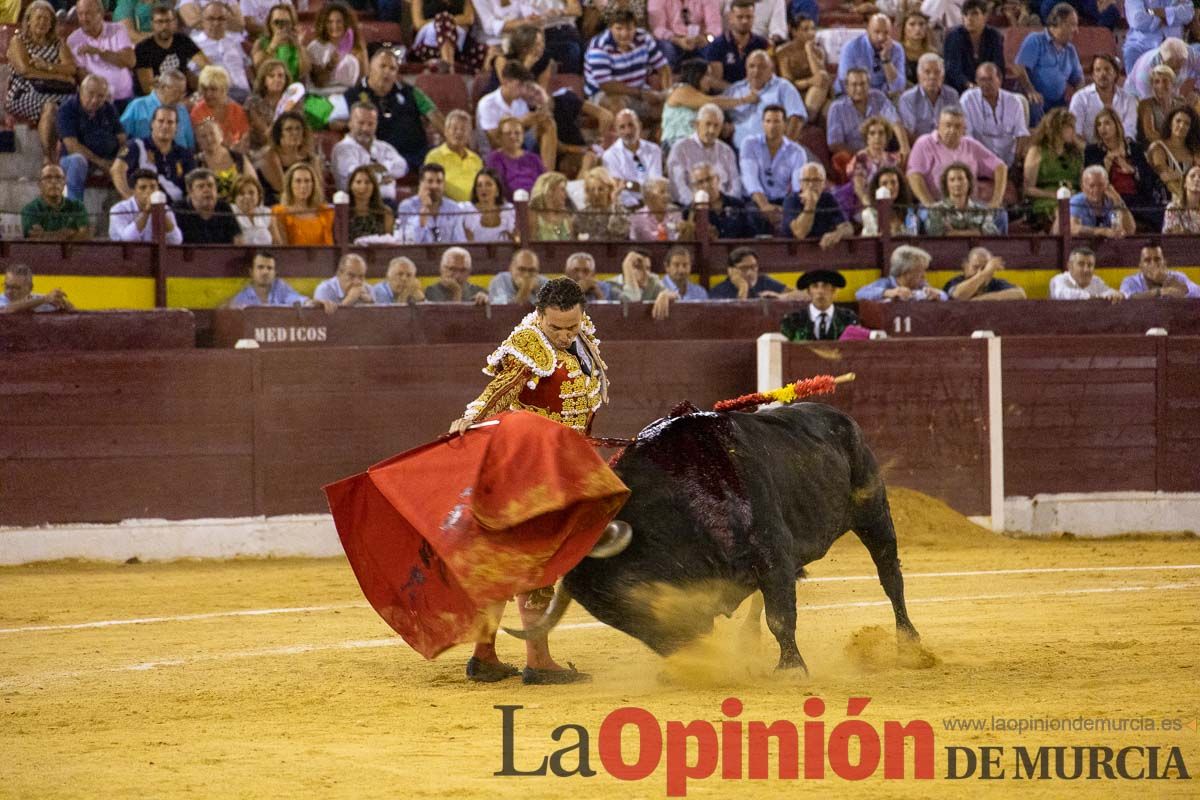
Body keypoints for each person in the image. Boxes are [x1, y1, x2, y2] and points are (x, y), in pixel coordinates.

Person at [448, 277, 607, 685]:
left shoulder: (582, 338)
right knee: (537, 560)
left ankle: (485, 657)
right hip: (530, 471)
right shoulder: (529, 344)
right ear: (540, 316)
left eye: (572, 326)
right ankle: (537, 660)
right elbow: (499, 390)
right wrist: (471, 418)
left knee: (508, 558)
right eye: (557, 328)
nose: (565, 335)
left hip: (560, 464)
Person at [345, 49, 443, 169]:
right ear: (371, 67)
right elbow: (331, 120)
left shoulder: (411, 92)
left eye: (392, 69)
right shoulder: (352, 94)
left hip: (417, 155)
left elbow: (434, 115)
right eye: (383, 66)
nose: (387, 72)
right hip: (379, 158)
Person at [5, 0, 78, 160]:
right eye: (38, 18)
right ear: (28, 20)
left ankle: (67, 158)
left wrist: (45, 65)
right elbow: (25, 71)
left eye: (47, 19)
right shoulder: (18, 41)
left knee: (71, 107)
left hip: (57, 92)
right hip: (23, 92)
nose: (42, 22)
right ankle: (49, 158)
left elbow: (71, 69)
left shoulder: (58, 44)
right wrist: (58, 75)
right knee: (51, 107)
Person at [907, 106, 1007, 208]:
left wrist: (996, 201)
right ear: (938, 126)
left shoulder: (971, 144)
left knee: (1001, 214)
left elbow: (1000, 167)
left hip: (969, 207)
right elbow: (914, 176)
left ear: (964, 129)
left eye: (957, 126)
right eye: (948, 125)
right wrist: (930, 205)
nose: (952, 130)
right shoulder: (925, 143)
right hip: (937, 205)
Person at [1085, 108, 1166, 232]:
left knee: (1161, 214)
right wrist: (1107, 163)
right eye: (1099, 125)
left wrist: (1133, 170)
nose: (1102, 128)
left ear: (1116, 125)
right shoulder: (1093, 151)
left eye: (1107, 123)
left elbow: (1149, 178)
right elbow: (1091, 180)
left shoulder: (1134, 148)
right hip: (1110, 198)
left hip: (1137, 197)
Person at [583, 8, 671, 118]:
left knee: (671, 104)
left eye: (629, 28)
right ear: (611, 28)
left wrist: (667, 94)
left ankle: (655, 133)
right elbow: (606, 85)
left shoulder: (644, 38)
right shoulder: (599, 46)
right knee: (617, 105)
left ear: (635, 28)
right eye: (619, 29)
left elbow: (663, 68)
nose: (624, 34)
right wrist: (641, 93)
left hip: (639, 89)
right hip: (604, 93)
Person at [826, 68, 905, 179]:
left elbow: (895, 121)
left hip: (883, 154)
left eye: (863, 84)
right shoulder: (837, 108)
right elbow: (834, 144)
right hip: (855, 158)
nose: (859, 89)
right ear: (847, 87)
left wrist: (904, 147)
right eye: (854, 85)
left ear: (869, 84)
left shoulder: (878, 97)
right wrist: (866, 156)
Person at [58, 75, 126, 202]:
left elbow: (122, 139)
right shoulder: (67, 109)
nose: (95, 100)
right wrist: (101, 163)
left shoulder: (108, 108)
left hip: (108, 159)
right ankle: (75, 212)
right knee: (78, 161)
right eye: (91, 94)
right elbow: (72, 146)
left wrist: (118, 161)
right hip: (74, 160)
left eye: (100, 96)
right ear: (81, 91)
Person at [662, 58, 755, 150]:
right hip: (676, 146)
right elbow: (712, 102)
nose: (711, 80)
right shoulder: (681, 90)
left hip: (699, 146)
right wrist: (744, 100)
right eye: (707, 75)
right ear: (696, 75)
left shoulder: (701, 95)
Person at [477, 62, 557, 168]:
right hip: (498, 151)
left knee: (547, 123)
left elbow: (524, 132)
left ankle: (547, 174)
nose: (522, 90)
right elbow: (494, 141)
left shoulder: (520, 102)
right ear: (506, 82)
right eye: (519, 85)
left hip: (519, 143)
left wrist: (535, 120)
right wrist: (520, 122)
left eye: (524, 86)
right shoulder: (488, 103)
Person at [739, 103, 808, 226]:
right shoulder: (749, 144)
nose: (772, 126)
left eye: (776, 122)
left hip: (783, 201)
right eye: (768, 121)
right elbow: (750, 178)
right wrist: (764, 205)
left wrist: (786, 209)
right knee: (752, 214)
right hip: (755, 200)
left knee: (795, 213)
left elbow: (798, 185)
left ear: (785, 124)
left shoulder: (797, 151)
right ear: (762, 124)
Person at [112, 104, 196, 203]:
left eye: (170, 122)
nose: (165, 126)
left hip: (176, 212)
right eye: (161, 121)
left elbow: (193, 185)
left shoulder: (185, 154)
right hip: (143, 210)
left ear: (176, 127)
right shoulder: (136, 146)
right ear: (152, 124)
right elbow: (116, 170)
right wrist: (130, 199)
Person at [1012, 4, 1082, 122]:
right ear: (1059, 23)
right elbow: (1019, 68)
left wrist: (1082, 98)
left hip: (1058, 102)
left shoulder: (1070, 50)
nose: (1076, 30)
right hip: (1034, 97)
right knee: (1035, 104)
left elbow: (1078, 80)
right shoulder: (1036, 40)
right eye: (1073, 25)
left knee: (1072, 115)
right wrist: (1031, 91)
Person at [331, 102, 409, 204]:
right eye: (361, 123)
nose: (365, 129)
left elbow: (403, 167)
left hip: (388, 204)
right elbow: (356, 176)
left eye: (370, 124)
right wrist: (383, 176)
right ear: (350, 123)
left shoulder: (384, 147)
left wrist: (383, 168)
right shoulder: (342, 149)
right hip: (355, 206)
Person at [666, 103, 741, 206]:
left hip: (723, 209)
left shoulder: (726, 151)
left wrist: (725, 203)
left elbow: (735, 184)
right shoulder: (680, 148)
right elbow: (678, 187)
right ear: (697, 124)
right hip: (692, 208)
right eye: (708, 124)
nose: (712, 130)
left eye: (716, 126)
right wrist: (697, 205)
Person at [959, 62, 1029, 169]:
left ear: (1000, 80)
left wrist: (1017, 162)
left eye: (990, 79)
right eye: (982, 80)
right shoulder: (968, 100)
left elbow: (1021, 134)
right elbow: (967, 137)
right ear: (976, 81)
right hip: (980, 162)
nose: (986, 84)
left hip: (1008, 161)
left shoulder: (1014, 101)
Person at [68, 0, 136, 106]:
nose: (84, 18)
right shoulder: (73, 40)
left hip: (125, 97)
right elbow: (82, 76)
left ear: (100, 13)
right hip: (98, 102)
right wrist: (102, 94)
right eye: (80, 14)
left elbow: (130, 62)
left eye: (88, 13)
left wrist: (99, 52)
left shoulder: (118, 29)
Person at [135, 2, 207, 95]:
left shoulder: (182, 40)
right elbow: (148, 88)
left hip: (184, 93)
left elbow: (206, 64)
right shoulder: (143, 48)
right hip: (159, 98)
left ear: (175, 23)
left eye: (168, 21)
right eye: (160, 22)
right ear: (152, 24)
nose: (165, 26)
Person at [225, 250, 334, 309]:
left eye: (269, 268)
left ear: (275, 273)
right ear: (251, 273)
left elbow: (296, 299)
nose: (265, 272)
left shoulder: (280, 287)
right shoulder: (242, 297)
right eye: (260, 267)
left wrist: (312, 303)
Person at [684, 162, 765, 238]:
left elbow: (752, 235)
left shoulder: (738, 204)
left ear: (717, 179)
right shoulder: (689, 212)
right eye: (700, 182)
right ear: (693, 187)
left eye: (709, 179)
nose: (706, 185)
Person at [602, 109, 663, 209]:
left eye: (631, 125)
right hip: (627, 208)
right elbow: (619, 188)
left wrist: (628, 184)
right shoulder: (610, 156)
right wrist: (629, 186)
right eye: (622, 127)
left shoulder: (654, 150)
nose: (628, 131)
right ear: (616, 131)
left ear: (639, 125)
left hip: (653, 204)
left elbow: (656, 185)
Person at [190, 1, 251, 101]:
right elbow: (191, 76)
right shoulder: (193, 44)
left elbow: (248, 69)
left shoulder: (236, 41)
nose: (216, 23)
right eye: (211, 18)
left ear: (227, 21)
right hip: (217, 96)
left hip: (245, 93)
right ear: (202, 21)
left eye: (221, 19)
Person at [774, 14, 831, 119]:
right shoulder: (783, 52)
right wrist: (809, 82)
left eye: (813, 29)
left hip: (816, 95)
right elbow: (787, 84)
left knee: (831, 110)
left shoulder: (818, 52)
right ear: (794, 32)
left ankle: (807, 117)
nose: (811, 33)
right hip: (794, 94)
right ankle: (805, 117)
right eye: (805, 29)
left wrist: (809, 51)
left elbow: (821, 80)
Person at [305, 1, 368, 96]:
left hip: (347, 96)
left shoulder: (357, 46)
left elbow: (363, 79)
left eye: (339, 21)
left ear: (346, 22)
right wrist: (331, 65)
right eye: (330, 22)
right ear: (324, 24)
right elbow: (317, 82)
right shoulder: (314, 47)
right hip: (318, 96)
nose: (334, 26)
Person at [121, 69, 195, 149]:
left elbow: (190, 144)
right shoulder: (138, 106)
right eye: (176, 92)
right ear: (163, 87)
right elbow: (121, 137)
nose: (180, 97)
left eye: (183, 93)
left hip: (179, 159)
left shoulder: (182, 110)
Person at [784, 162, 853, 246]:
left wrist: (837, 234)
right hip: (794, 251)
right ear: (800, 184)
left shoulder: (828, 198)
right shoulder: (792, 199)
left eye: (816, 180)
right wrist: (810, 204)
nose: (811, 185)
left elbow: (847, 227)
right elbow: (800, 233)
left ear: (823, 184)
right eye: (806, 180)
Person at [942, 0, 1005, 93]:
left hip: (989, 86)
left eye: (974, 14)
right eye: (965, 14)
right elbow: (953, 69)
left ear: (985, 16)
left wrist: (988, 84)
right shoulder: (954, 36)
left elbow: (998, 65)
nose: (969, 18)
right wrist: (970, 85)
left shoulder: (994, 36)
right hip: (959, 89)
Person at [836, 14, 905, 98]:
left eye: (886, 33)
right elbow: (845, 83)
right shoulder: (850, 47)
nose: (881, 37)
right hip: (853, 95)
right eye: (877, 32)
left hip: (883, 97)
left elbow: (898, 87)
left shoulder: (897, 49)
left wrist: (886, 60)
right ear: (868, 30)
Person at [395, 164, 468, 243]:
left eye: (439, 181)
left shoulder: (454, 208)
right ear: (421, 183)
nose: (434, 186)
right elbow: (408, 242)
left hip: (447, 254)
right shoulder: (406, 207)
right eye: (430, 181)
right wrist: (424, 210)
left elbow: (460, 242)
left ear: (444, 184)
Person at [259, 111, 321, 204]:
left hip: (306, 206)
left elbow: (318, 189)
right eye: (289, 129)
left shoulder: (310, 158)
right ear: (279, 134)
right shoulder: (269, 155)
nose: (295, 133)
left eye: (298, 129)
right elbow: (282, 188)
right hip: (276, 206)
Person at [108, 167, 184, 243]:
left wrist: (162, 214)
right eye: (143, 188)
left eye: (153, 187)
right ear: (133, 191)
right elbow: (127, 240)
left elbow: (176, 240)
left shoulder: (165, 209)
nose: (149, 191)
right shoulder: (119, 209)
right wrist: (146, 212)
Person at [925, 162, 1002, 236]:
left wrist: (953, 233)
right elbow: (934, 233)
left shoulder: (983, 211)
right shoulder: (936, 209)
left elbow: (991, 233)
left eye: (960, 179)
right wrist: (975, 232)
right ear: (946, 184)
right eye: (952, 180)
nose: (957, 184)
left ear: (969, 182)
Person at [409, 0, 487, 72]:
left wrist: (448, 20)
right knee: (443, 21)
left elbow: (469, 19)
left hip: (458, 41)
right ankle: (449, 67)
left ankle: (447, 65)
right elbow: (418, 23)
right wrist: (440, 20)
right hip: (428, 41)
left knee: (488, 51)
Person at [424, 110, 484, 203]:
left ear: (469, 134)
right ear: (446, 131)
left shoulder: (476, 159)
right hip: (447, 209)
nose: (459, 132)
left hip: (473, 208)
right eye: (455, 128)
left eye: (463, 129)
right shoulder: (434, 156)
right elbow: (431, 187)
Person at [780, 269, 858, 341]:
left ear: (833, 290)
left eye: (825, 286)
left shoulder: (848, 319)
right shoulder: (792, 321)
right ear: (809, 291)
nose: (820, 291)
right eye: (815, 286)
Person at [898, 53, 960, 142]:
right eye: (927, 72)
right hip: (920, 148)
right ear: (919, 76)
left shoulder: (952, 95)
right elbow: (910, 134)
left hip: (948, 147)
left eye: (937, 72)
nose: (932, 77)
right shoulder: (907, 99)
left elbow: (958, 126)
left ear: (942, 77)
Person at [271, 162, 335, 245]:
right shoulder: (279, 212)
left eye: (307, 181)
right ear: (290, 185)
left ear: (313, 184)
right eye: (298, 181)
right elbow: (283, 249)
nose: (303, 185)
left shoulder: (326, 212)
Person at [175, 167, 243, 243]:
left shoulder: (224, 207)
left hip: (223, 254)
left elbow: (238, 239)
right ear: (190, 192)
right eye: (201, 186)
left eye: (210, 185)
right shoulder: (179, 209)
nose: (207, 190)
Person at [22, 164, 89, 240]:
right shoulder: (30, 209)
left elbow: (85, 235)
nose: (54, 181)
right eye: (48, 177)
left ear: (64, 183)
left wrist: (45, 235)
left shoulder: (77, 206)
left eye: (58, 177)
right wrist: (65, 234)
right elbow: (34, 237)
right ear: (40, 184)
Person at [856, 245, 948, 301]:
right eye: (919, 271)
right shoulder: (886, 283)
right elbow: (860, 293)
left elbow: (945, 296)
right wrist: (888, 292)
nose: (924, 275)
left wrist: (937, 295)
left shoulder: (922, 285)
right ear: (905, 272)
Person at [485, 116, 546, 200]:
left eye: (517, 133)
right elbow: (497, 187)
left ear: (523, 135)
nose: (513, 136)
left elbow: (544, 182)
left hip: (535, 203)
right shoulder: (495, 158)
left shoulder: (533, 158)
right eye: (508, 133)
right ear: (500, 137)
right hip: (511, 205)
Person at [1068, 164, 1136, 238]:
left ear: (1107, 185)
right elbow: (1073, 229)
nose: (1096, 190)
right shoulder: (1077, 201)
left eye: (1100, 185)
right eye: (1092, 186)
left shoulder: (1112, 201)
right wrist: (1102, 231)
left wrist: (1118, 200)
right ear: (1083, 187)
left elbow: (1130, 230)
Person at [1123, 0, 1193, 71]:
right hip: (1142, 47)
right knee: (1131, 55)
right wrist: (1169, 18)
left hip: (1174, 47)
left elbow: (1188, 13)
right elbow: (1137, 20)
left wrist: (1159, 12)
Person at [1147, 106, 1200, 199]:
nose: (1182, 126)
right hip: (1169, 201)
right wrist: (1185, 200)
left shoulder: (1193, 150)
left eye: (1187, 123)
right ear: (1170, 124)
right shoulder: (1158, 148)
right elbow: (1166, 178)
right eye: (1178, 121)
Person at [648, 0, 721, 67]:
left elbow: (715, 25)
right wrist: (677, 40)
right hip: (672, 40)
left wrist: (706, 38)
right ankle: (670, 78)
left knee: (714, 45)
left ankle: (706, 78)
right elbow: (657, 28)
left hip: (699, 39)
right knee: (667, 48)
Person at [190, 64, 249, 147]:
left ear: (223, 90)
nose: (208, 94)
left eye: (213, 89)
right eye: (205, 89)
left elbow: (245, 136)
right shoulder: (198, 112)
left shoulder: (237, 110)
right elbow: (202, 142)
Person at [251, 3, 309, 84]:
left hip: (293, 90)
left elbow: (304, 71)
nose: (281, 26)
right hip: (269, 90)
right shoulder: (261, 42)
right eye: (277, 22)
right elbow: (258, 69)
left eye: (286, 22)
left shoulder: (296, 42)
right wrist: (272, 46)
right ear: (270, 24)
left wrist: (299, 46)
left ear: (292, 24)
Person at [944, 247, 1027, 300]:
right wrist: (984, 274)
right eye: (976, 267)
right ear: (965, 266)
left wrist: (981, 299)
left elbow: (1021, 294)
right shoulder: (956, 281)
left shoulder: (995, 283)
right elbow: (958, 296)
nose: (980, 271)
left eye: (985, 268)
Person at [1119, 243, 1200, 297]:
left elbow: (1197, 292)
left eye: (1157, 259)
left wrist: (1165, 279)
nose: (1153, 264)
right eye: (1147, 260)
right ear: (1141, 266)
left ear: (1164, 263)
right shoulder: (1130, 281)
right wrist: (1159, 292)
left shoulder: (1178, 277)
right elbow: (1125, 299)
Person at [244, 58, 287, 154]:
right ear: (264, 80)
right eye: (272, 76)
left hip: (288, 147)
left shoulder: (293, 100)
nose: (277, 79)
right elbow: (267, 136)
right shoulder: (253, 103)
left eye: (281, 76)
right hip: (261, 150)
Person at [710, 246, 788, 299]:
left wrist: (779, 297)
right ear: (731, 270)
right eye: (744, 268)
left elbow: (797, 295)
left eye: (753, 267)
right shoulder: (720, 291)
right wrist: (743, 287)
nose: (750, 273)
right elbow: (738, 314)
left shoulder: (763, 281)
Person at [575, 167, 631, 239]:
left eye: (601, 189)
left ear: (609, 189)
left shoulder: (619, 211)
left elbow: (619, 233)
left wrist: (614, 202)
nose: (596, 194)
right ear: (587, 191)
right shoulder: (581, 215)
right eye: (592, 190)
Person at [1048, 246, 1122, 300]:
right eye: (1081, 264)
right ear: (1070, 266)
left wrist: (1114, 295)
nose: (1086, 270)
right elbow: (1062, 294)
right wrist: (1094, 297)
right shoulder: (1059, 279)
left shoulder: (1096, 281)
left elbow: (1109, 291)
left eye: (1090, 265)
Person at [860, 166, 917, 236]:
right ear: (877, 188)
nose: (890, 187)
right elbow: (877, 237)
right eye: (884, 183)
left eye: (893, 182)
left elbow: (913, 236)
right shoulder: (869, 213)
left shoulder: (908, 211)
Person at [463, 168, 515, 243]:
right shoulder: (466, 210)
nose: (483, 189)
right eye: (479, 185)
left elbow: (516, 239)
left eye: (488, 184)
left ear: (497, 190)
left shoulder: (508, 210)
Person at [346, 164, 395, 241]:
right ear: (351, 186)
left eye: (367, 182)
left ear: (374, 186)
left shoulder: (385, 213)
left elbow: (388, 243)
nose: (363, 186)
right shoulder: (342, 212)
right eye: (358, 182)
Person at [0, 264, 73, 313]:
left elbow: (72, 311)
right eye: (7, 286)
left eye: (16, 288)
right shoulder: (1, 299)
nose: (9, 291)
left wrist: (65, 305)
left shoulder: (41, 300)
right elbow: (6, 310)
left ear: (30, 288)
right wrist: (45, 299)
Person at [1136, 64, 1179, 145]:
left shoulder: (1180, 104)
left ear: (1172, 85)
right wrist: (1173, 143)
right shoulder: (1146, 104)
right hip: (1154, 147)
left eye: (1165, 81)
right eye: (1156, 82)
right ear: (1152, 86)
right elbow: (1150, 134)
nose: (1161, 85)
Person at [529, 171, 575, 240]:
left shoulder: (566, 216)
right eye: (562, 189)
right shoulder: (533, 215)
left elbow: (572, 243)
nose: (566, 194)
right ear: (549, 191)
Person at [232, 174, 273, 244]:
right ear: (235, 197)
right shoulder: (230, 212)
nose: (247, 196)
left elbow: (277, 243)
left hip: (265, 254)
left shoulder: (267, 212)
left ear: (258, 195)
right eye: (241, 193)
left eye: (251, 193)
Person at [898, 11, 936, 86]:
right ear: (904, 28)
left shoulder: (933, 53)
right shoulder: (897, 50)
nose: (918, 28)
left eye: (921, 24)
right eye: (912, 24)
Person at [1164, 165, 1200, 233]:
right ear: (1185, 183)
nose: (1197, 179)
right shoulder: (1173, 208)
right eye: (1192, 176)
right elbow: (1175, 236)